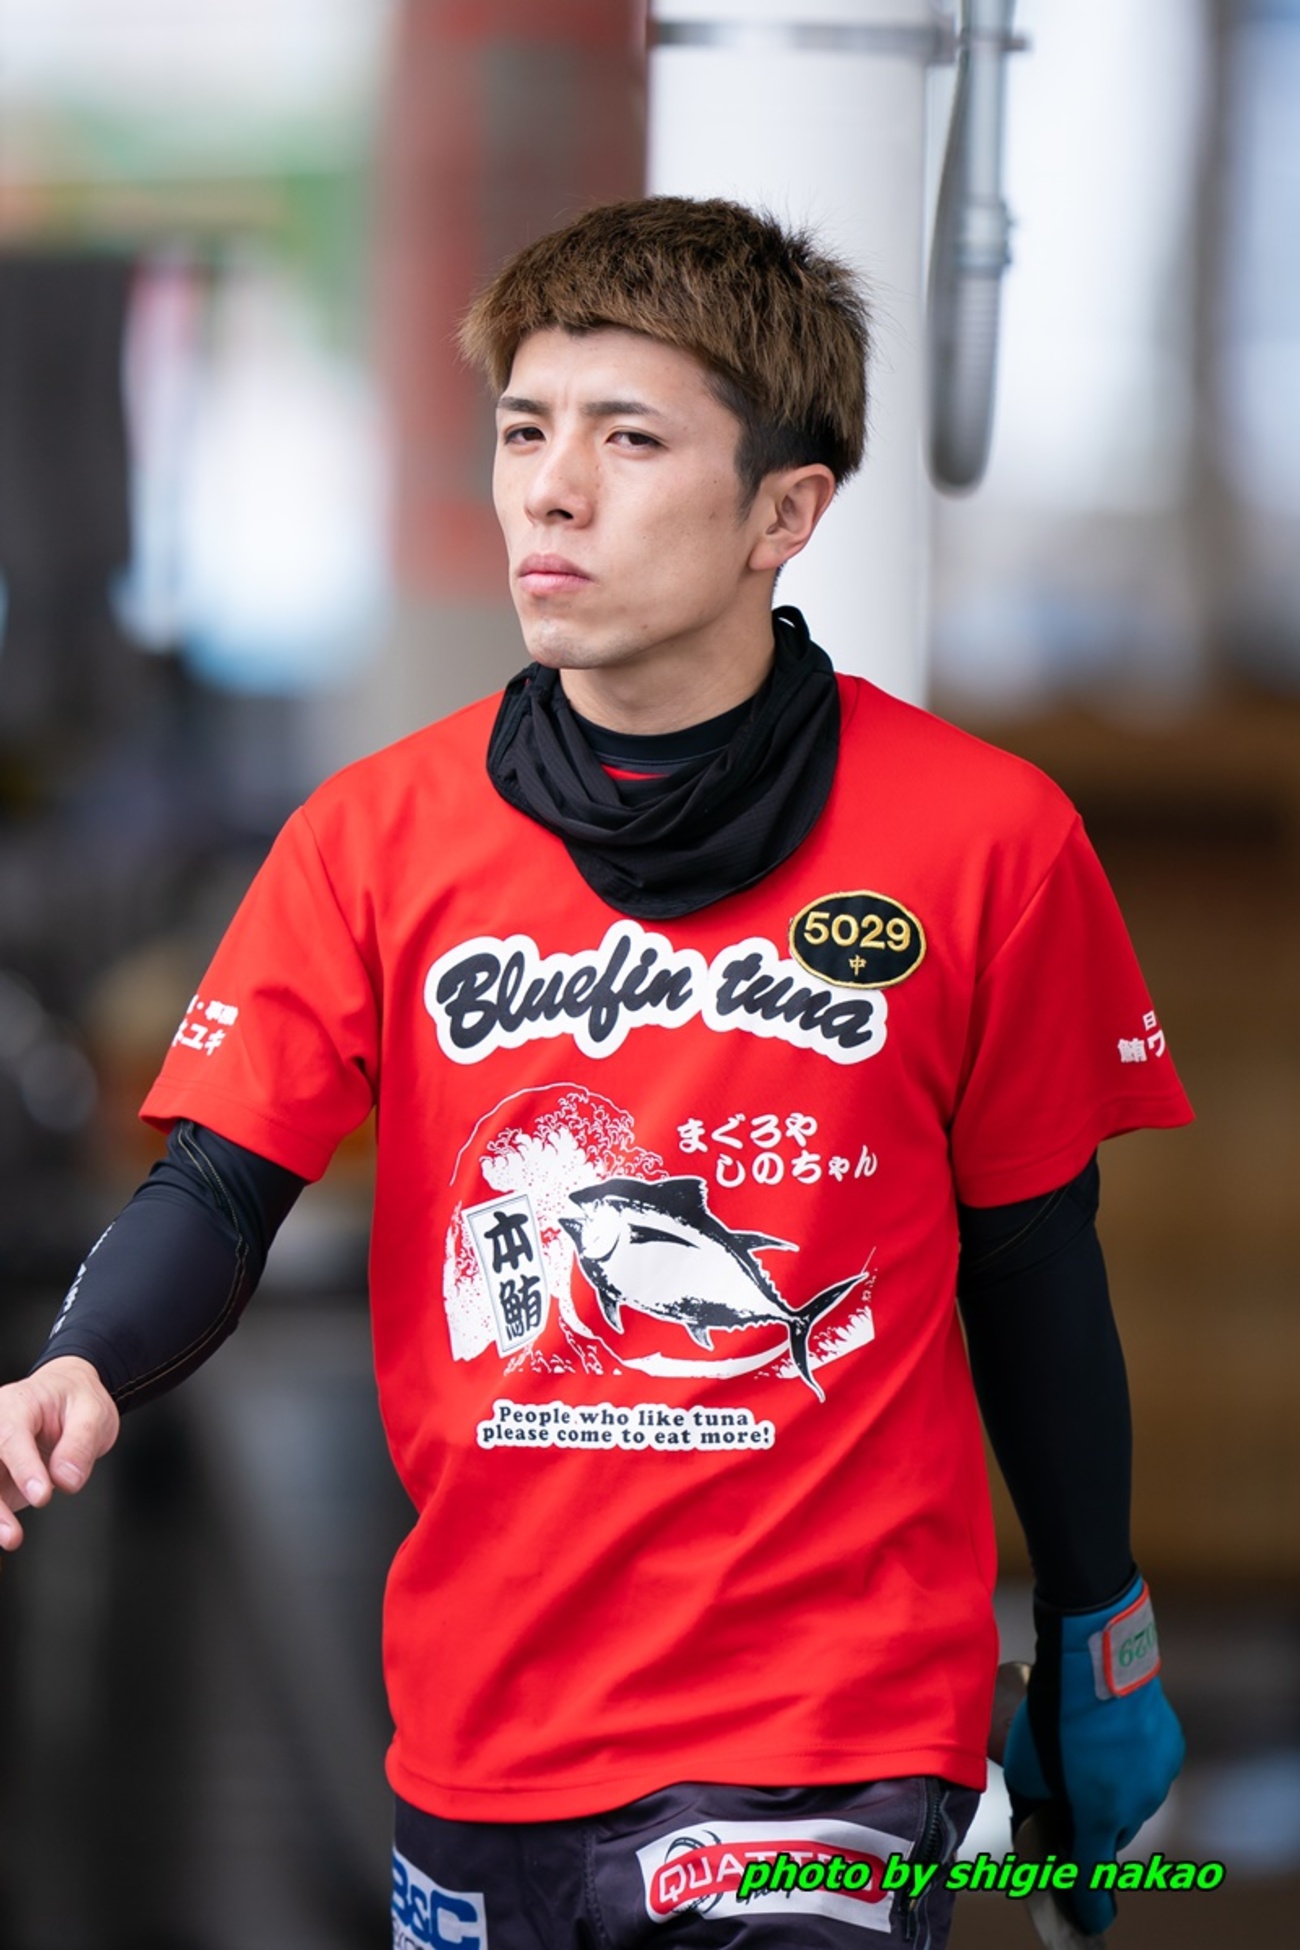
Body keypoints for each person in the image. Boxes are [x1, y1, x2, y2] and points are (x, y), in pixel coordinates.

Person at [0, 198, 1191, 1948]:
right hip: (488, 1738)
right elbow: (219, 1180)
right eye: (524, 432)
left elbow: (1032, 1261)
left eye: (629, 439)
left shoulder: (986, 841)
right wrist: (83, 1358)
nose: (552, 492)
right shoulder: (372, 838)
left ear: (786, 511)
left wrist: (1099, 1635)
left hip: (829, 1737)